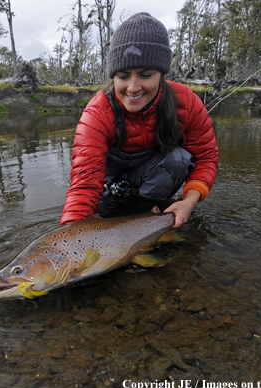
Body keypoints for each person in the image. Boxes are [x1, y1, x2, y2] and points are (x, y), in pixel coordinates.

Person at [59, 12, 218, 228]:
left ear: (161, 75)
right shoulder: (96, 114)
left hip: (153, 174)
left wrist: (189, 201)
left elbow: (206, 157)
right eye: (123, 77)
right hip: (109, 178)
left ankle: (144, 212)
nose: (133, 87)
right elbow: (84, 184)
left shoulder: (187, 103)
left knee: (179, 159)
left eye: (145, 75)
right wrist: (69, 235)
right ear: (113, 77)